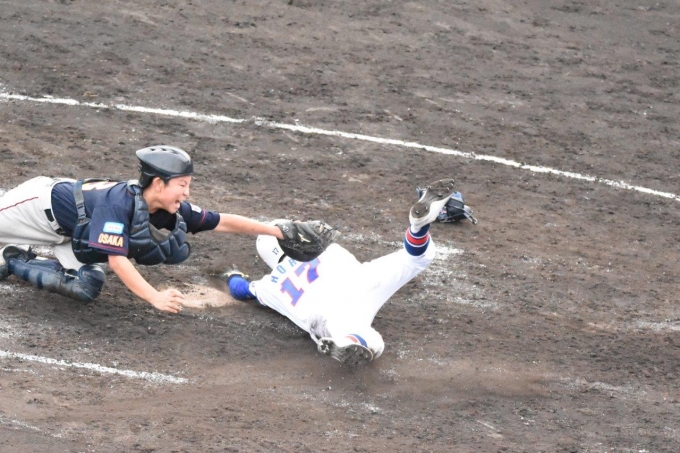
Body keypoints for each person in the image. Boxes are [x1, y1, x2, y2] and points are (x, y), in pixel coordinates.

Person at [0, 145, 294, 314]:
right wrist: (155, 296)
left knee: (86, 285)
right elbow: (117, 261)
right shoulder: (117, 203)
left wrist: (278, 232)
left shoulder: (162, 206)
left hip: (69, 233)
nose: (187, 192)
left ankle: (12, 258)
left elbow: (219, 221)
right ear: (158, 184)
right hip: (34, 209)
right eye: (182, 184)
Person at [222, 179, 458, 365]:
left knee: (370, 341)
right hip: (363, 279)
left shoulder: (271, 284)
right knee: (415, 259)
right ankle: (418, 229)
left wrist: (232, 275)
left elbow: (241, 290)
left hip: (330, 314)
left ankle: (348, 340)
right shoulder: (324, 247)